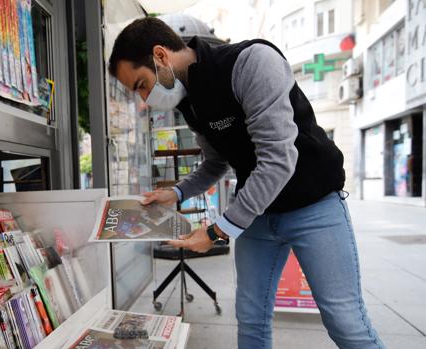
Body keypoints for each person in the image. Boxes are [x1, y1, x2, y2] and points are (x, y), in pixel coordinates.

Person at [108, 17, 385, 349]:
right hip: (258, 217)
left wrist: (217, 232)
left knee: (345, 322)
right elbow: (216, 162)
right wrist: (177, 192)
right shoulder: (188, 99)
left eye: (140, 84)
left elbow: (278, 160)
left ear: (160, 56)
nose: (142, 100)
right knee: (251, 320)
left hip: (314, 207)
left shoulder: (251, 62)